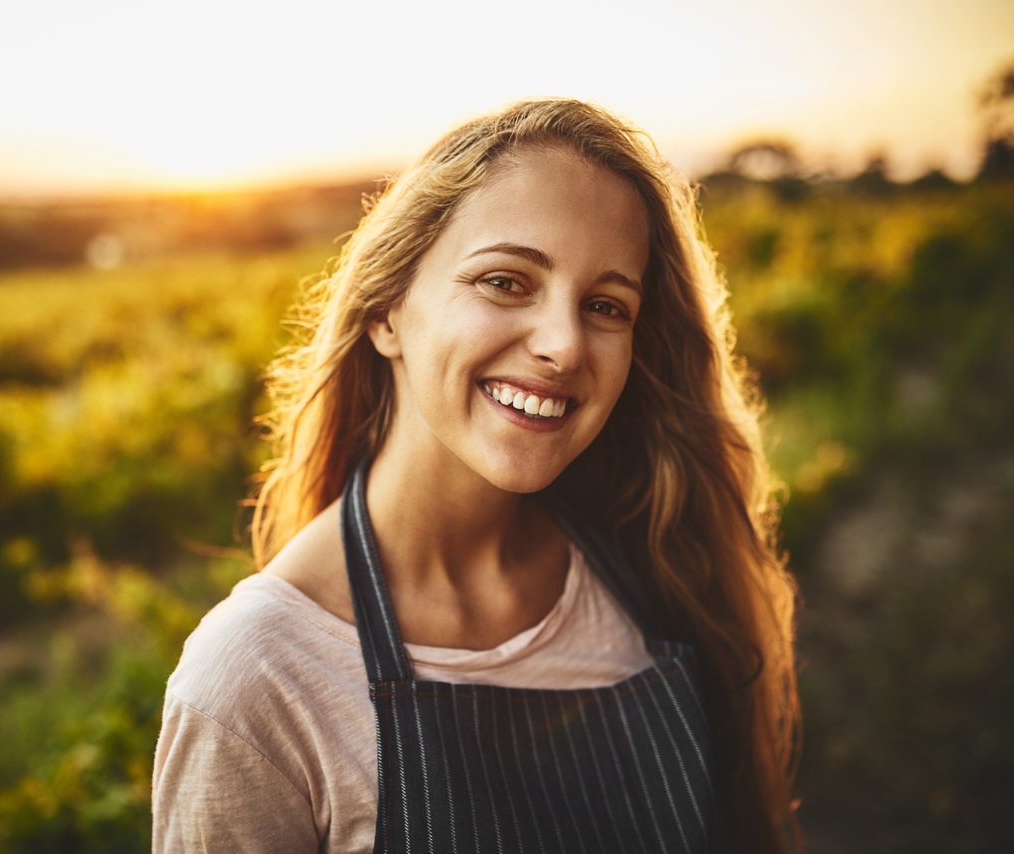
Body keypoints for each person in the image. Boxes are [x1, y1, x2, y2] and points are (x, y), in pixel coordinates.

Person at [151, 98, 800, 854]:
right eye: (504, 281)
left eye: (605, 305)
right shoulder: (258, 680)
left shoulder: (657, 564)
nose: (563, 344)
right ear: (387, 311)